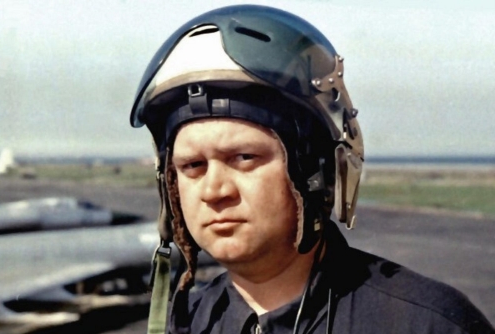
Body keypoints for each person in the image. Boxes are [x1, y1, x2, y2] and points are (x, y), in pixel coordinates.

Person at [130, 5, 494, 334]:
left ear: (314, 171)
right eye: (193, 166)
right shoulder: (186, 321)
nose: (214, 191)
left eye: (244, 158)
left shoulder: (427, 324)